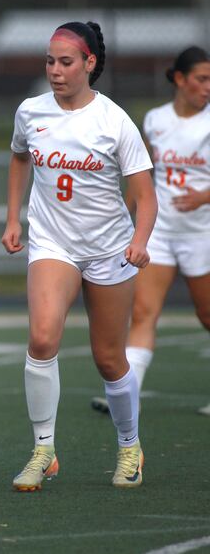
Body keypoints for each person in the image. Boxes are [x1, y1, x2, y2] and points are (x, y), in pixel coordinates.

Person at [1, 21, 157, 491]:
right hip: (53, 244)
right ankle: (43, 451)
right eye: (49, 61)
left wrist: (141, 240)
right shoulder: (30, 111)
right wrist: (13, 219)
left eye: (65, 62)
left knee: (109, 358)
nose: (55, 71)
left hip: (110, 248)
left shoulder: (114, 120)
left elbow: (145, 196)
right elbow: (19, 157)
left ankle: (130, 447)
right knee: (43, 338)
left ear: (89, 63)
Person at [90, 46, 210, 417]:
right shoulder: (156, 120)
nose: (207, 88)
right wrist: (124, 217)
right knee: (143, 312)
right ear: (179, 78)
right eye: (201, 79)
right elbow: (141, 176)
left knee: (206, 316)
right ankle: (128, 392)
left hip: (201, 233)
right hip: (160, 232)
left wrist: (204, 195)